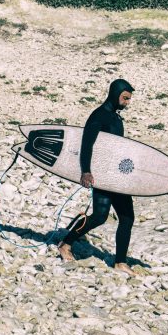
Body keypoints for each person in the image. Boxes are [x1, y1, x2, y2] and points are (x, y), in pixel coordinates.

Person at [57, 78, 136, 275]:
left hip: (115, 175)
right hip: (102, 174)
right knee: (100, 216)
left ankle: (120, 262)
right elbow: (87, 145)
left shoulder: (116, 118)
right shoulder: (98, 116)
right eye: (125, 98)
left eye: (129, 99)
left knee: (127, 217)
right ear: (115, 94)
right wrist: (86, 171)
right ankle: (65, 243)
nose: (127, 102)